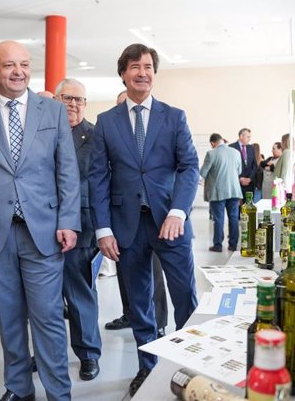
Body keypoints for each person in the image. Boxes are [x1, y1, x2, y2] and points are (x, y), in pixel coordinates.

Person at [0, 40, 80, 401]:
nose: (18, 72)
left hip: (44, 233)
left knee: (49, 320)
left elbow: (67, 171)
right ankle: (19, 388)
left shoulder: (52, 112)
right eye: (8, 65)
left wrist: (69, 220)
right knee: (8, 320)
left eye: (24, 64)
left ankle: (59, 393)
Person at [89, 44, 199, 396]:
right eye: (134, 66)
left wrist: (178, 211)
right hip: (126, 227)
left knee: (185, 296)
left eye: (148, 66)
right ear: (123, 73)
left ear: (154, 72)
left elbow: (189, 167)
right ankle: (147, 367)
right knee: (139, 302)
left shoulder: (174, 116)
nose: (142, 72)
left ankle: (190, 364)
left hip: (171, 222)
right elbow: (98, 177)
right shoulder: (107, 122)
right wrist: (103, 229)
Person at [104, 91, 169, 338]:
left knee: (152, 272)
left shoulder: (151, 132)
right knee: (125, 271)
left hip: (149, 214)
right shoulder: (111, 131)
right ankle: (130, 313)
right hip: (119, 212)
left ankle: (159, 322)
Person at [54, 78, 102, 381]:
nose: (73, 104)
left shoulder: (96, 137)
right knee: (44, 299)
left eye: (79, 99)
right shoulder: (43, 131)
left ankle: (88, 355)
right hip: (41, 227)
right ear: (56, 99)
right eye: (67, 98)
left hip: (81, 228)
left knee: (80, 295)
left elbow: (98, 184)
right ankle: (47, 353)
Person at [200, 133, 243, 252]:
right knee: (234, 218)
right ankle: (233, 245)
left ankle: (218, 245)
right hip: (234, 190)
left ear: (213, 143)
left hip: (218, 192)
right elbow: (239, 171)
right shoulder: (236, 153)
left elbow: (203, 173)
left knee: (218, 219)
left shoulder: (211, 153)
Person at [229, 128, 258, 201]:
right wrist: (239, 178)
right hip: (236, 184)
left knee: (248, 209)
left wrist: (249, 178)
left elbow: (254, 166)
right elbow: (230, 167)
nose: (249, 139)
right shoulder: (231, 147)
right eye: (248, 137)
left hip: (249, 184)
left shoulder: (251, 148)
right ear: (241, 136)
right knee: (237, 209)